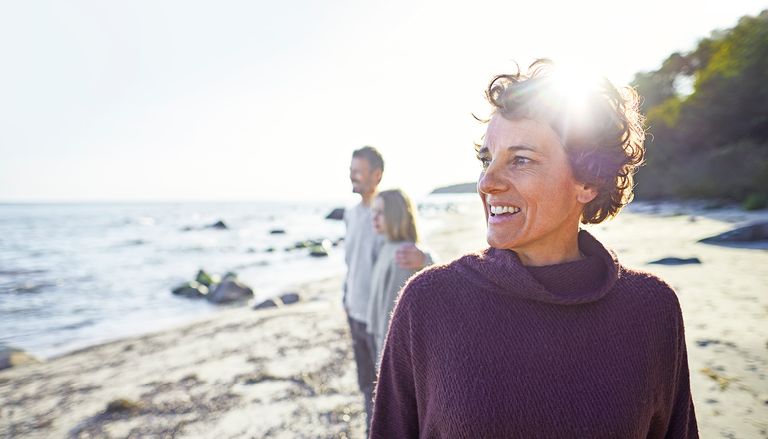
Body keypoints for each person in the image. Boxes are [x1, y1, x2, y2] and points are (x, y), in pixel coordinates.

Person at [370, 60, 698, 438]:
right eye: (486, 159)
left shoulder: (652, 310)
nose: (487, 182)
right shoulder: (429, 303)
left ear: (588, 182)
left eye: (521, 160)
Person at [343, 146, 427, 433]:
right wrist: (346, 298)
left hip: (377, 318)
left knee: (384, 389)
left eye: (358, 170)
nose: (351, 175)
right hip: (356, 314)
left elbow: (417, 260)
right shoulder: (351, 214)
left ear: (376, 175)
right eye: (351, 169)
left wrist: (425, 258)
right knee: (367, 384)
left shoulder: (386, 219)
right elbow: (351, 264)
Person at [367, 189, 433, 365]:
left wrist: (384, 354)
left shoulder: (403, 253)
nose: (373, 217)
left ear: (396, 215)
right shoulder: (386, 246)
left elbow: (393, 313)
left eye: (380, 212)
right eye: (373, 211)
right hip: (379, 338)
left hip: (390, 346)